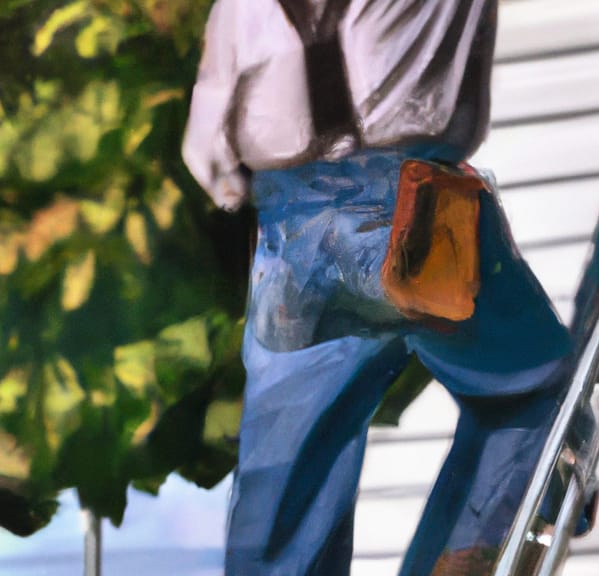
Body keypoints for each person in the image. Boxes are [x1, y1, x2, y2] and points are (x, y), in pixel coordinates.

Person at [182, 0, 573, 573]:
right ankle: (465, 555)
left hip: (291, 232)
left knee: (289, 472)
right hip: (415, 207)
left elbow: (208, 154)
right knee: (533, 391)